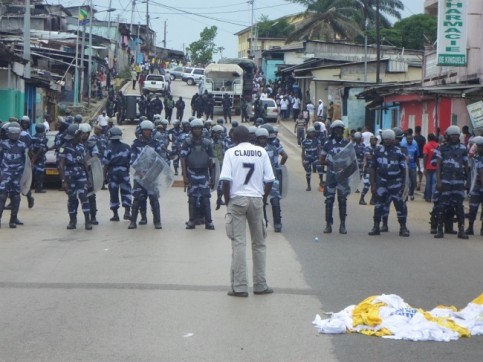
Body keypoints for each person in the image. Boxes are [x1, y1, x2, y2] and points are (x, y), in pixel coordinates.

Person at [220, 125, 275, 297]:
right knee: (259, 244)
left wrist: (228, 202)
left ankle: (240, 287)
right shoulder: (261, 152)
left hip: (237, 200)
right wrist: (263, 198)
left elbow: (226, 181)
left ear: (234, 138)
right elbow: (270, 180)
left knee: (239, 243)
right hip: (256, 199)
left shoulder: (230, 153)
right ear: (250, 138)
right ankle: (260, 285)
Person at [368, 129, 410, 237]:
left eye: (390, 139)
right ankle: (376, 226)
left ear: (393, 140)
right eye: (385, 139)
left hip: (395, 182)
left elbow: (404, 169)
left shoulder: (398, 152)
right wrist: (373, 184)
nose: (387, 141)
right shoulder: (377, 151)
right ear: (382, 140)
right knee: (378, 205)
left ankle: (403, 227)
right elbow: (372, 168)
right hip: (381, 182)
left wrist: (405, 184)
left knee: (400, 205)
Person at [128, 120, 165, 230]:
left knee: (154, 199)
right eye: (145, 130)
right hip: (139, 176)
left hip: (152, 176)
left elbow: (160, 160)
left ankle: (157, 221)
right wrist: (139, 171)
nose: (147, 132)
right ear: (141, 131)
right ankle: (133, 221)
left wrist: (153, 172)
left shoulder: (156, 144)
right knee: (137, 199)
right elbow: (133, 160)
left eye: (149, 130)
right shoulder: (136, 144)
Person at [433, 125, 469, 239]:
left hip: (458, 180)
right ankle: (439, 229)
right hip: (446, 179)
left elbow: (466, 165)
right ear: (447, 136)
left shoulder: (463, 148)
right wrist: (438, 181)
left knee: (459, 206)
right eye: (452, 135)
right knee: (442, 205)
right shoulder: (442, 148)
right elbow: (438, 165)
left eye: (456, 135)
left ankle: (461, 229)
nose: (454, 137)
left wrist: (467, 180)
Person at [180, 119, 215, 230]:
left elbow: (211, 161)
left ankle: (209, 222)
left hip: (204, 173)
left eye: (199, 128)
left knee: (206, 198)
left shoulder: (207, 143)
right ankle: (192, 221)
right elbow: (183, 160)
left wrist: (212, 176)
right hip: (192, 173)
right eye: (195, 128)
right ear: (191, 130)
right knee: (192, 198)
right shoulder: (187, 143)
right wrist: (185, 176)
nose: (197, 130)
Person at [58, 124, 92, 230]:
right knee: (72, 198)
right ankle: (72, 221)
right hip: (69, 175)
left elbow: (86, 163)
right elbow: (61, 165)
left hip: (81, 175)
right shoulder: (64, 148)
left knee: (84, 197)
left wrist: (89, 178)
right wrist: (63, 181)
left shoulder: (82, 147)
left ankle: (87, 221)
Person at [319, 120, 351, 234]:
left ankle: (342, 225)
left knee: (342, 200)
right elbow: (321, 160)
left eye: (340, 130)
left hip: (343, 176)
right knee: (329, 200)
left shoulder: (347, 143)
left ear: (343, 131)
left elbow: (351, 161)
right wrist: (332, 163)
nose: (338, 132)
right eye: (336, 130)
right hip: (331, 175)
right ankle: (328, 224)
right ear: (332, 131)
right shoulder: (328, 144)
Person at [0, 122, 28, 228]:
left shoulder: (22, 145)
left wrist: (25, 177)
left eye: (17, 133)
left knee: (16, 197)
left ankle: (13, 219)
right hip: (5, 174)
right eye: (13, 133)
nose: (15, 135)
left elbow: (26, 163)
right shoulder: (2, 144)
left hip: (17, 175)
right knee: (2, 196)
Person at [104, 126, 132, 222]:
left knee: (113, 193)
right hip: (124, 172)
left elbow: (105, 164)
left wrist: (104, 177)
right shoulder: (127, 147)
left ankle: (115, 215)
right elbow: (131, 161)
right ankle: (127, 211)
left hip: (112, 173)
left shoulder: (108, 148)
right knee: (126, 191)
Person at [31, 124, 48, 193]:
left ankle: (35, 187)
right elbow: (41, 148)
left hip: (34, 158)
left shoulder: (33, 137)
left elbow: (30, 148)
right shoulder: (43, 138)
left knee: (34, 173)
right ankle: (39, 188)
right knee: (40, 174)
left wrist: (33, 156)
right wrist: (36, 156)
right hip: (40, 158)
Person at [301, 127, 319, 191]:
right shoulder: (304, 141)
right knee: (308, 173)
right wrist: (303, 161)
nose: (312, 134)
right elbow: (303, 152)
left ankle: (321, 182)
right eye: (310, 132)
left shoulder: (317, 140)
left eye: (313, 132)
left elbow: (319, 150)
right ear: (308, 133)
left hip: (315, 157)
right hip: (307, 158)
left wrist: (320, 159)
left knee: (320, 169)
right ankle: (308, 185)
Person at [423, 133, 439, 202]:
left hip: (428, 167)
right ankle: (434, 197)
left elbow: (425, 156)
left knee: (428, 183)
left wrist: (424, 167)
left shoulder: (426, 145)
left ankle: (428, 197)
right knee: (434, 183)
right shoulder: (438, 145)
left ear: (428, 138)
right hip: (437, 167)